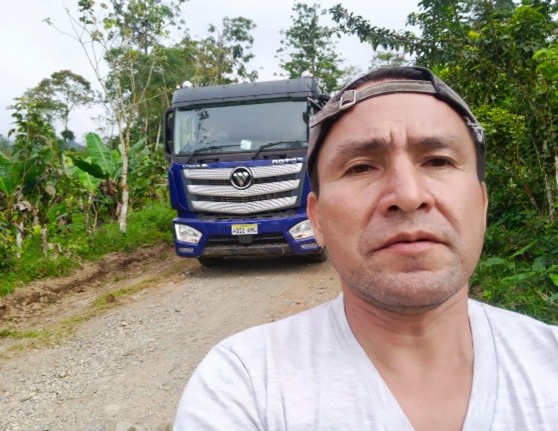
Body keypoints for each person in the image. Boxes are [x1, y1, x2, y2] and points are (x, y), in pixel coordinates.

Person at [173, 66, 558, 430]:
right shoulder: (243, 384)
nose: (408, 196)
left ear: (483, 204)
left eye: (438, 161)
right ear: (316, 218)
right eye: (360, 167)